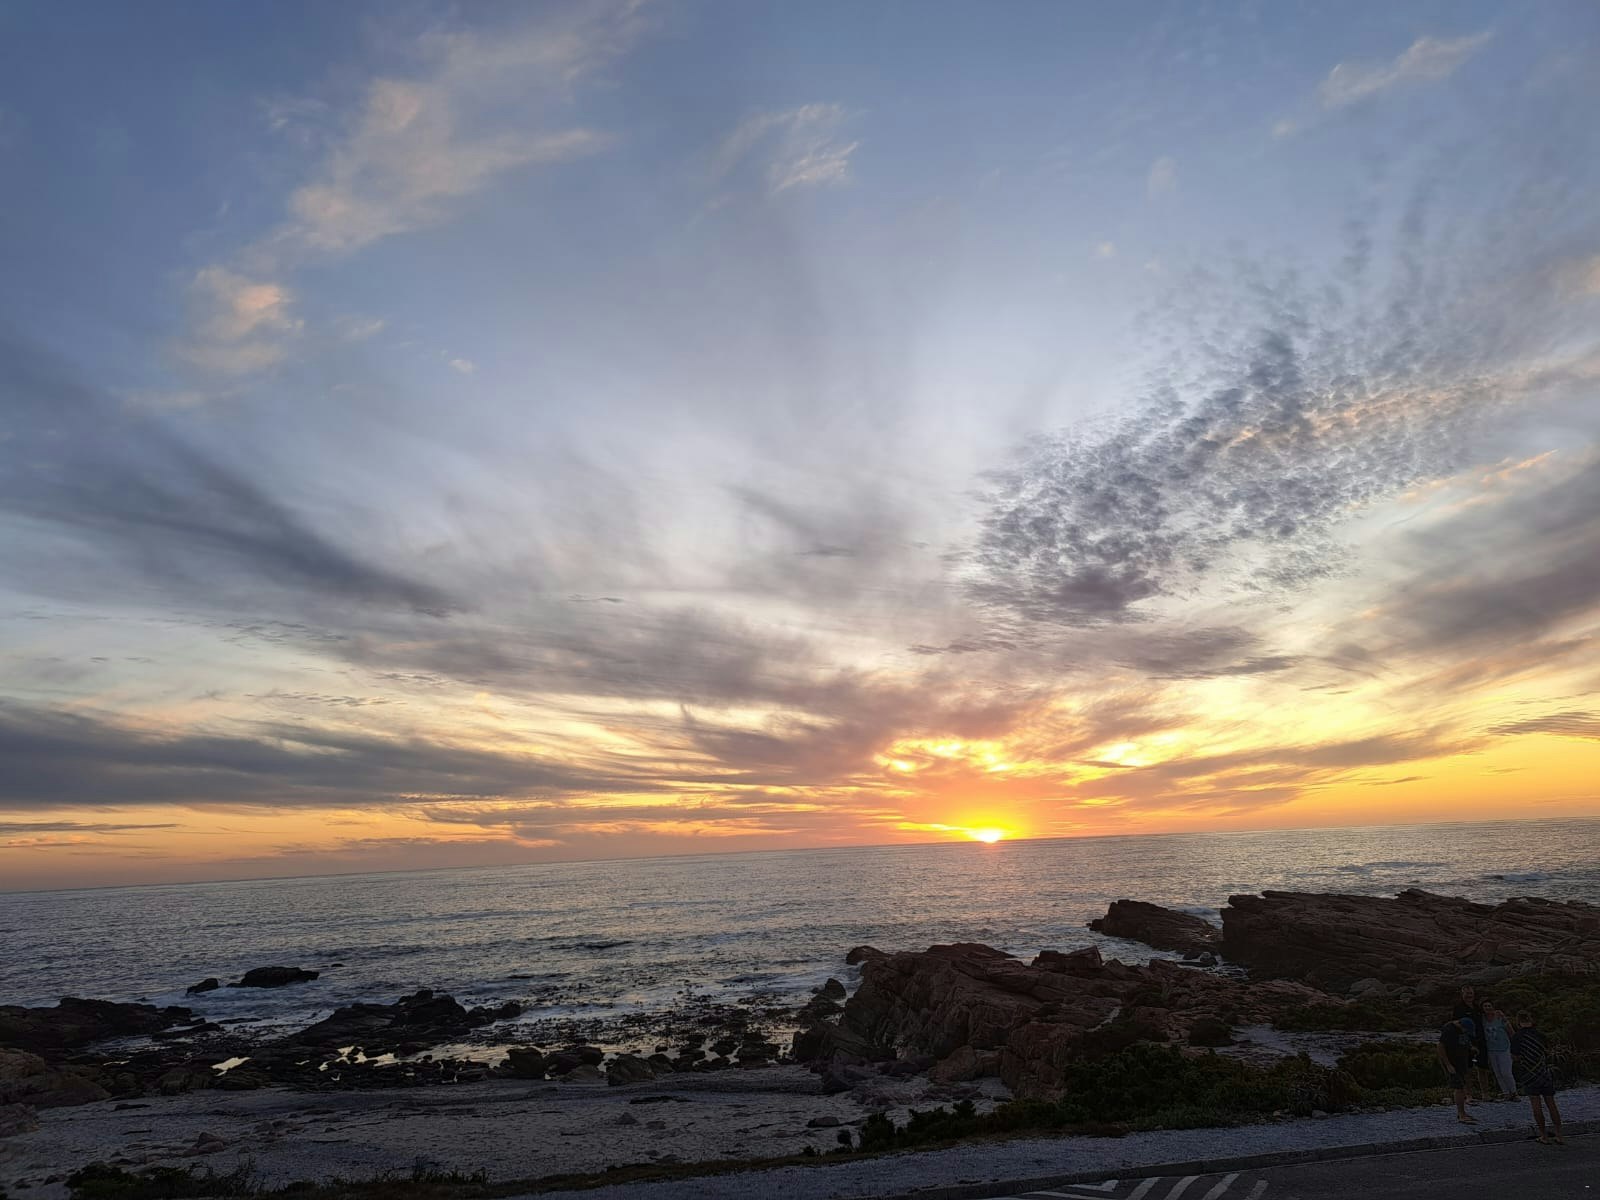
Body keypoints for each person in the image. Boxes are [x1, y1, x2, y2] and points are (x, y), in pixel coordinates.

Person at [1512, 1010, 1563, 1145]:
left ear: (1518, 1022)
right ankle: (1559, 1135)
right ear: (1531, 1020)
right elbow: (1547, 1050)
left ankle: (1543, 1135)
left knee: (1536, 1105)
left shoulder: (1517, 1037)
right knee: (1551, 1104)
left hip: (1529, 1073)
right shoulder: (1540, 1035)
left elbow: (1515, 1056)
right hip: (1544, 1072)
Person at [1438, 1014, 1477, 1124]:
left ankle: (1462, 1113)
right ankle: (1461, 1114)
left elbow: (1465, 1040)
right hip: (1453, 1063)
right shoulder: (1449, 1030)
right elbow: (1440, 1047)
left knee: (1462, 1085)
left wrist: (1471, 1048)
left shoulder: (1462, 1030)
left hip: (1462, 1062)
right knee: (1458, 1087)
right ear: (1461, 1025)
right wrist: (1448, 1065)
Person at [1452, 984, 1487, 1101]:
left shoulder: (1477, 1008)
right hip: (1466, 1042)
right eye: (1467, 993)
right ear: (1462, 994)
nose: (1469, 996)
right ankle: (1469, 1095)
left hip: (1480, 1041)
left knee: (1482, 1068)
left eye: (1471, 993)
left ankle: (1485, 1094)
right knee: (1467, 1069)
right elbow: (1456, 1025)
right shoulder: (1458, 1008)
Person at [1480, 1001, 1517, 1100]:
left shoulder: (1500, 1017)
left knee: (1506, 1072)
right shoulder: (1482, 1020)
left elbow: (1511, 1032)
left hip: (1504, 1048)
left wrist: (1515, 1047)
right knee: (1498, 1073)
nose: (1487, 1008)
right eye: (1485, 1006)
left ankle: (1514, 1092)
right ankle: (1506, 1093)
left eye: (1489, 1005)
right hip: (1491, 1050)